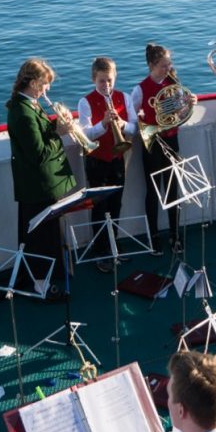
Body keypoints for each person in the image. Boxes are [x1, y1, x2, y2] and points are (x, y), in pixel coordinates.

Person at [6, 58, 76, 300]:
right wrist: (59, 133)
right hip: (37, 188)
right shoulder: (23, 112)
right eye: (45, 84)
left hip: (44, 186)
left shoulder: (30, 105)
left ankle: (49, 278)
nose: (48, 89)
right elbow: (38, 153)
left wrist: (56, 124)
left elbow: (41, 135)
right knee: (39, 239)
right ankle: (41, 284)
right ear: (34, 83)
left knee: (48, 236)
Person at [132, 44, 194, 256]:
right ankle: (154, 236)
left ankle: (175, 234)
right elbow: (133, 118)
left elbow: (180, 113)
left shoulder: (173, 83)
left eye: (169, 64)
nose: (167, 69)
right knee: (152, 192)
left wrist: (188, 104)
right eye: (162, 66)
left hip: (171, 141)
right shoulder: (140, 89)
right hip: (152, 144)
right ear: (151, 65)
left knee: (172, 189)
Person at [78, 57, 137, 272]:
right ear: (94, 79)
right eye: (102, 81)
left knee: (115, 205)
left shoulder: (124, 97)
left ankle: (115, 247)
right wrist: (103, 124)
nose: (107, 86)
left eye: (110, 80)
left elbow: (134, 129)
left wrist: (121, 124)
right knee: (99, 209)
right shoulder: (85, 102)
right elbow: (86, 135)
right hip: (96, 161)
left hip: (117, 159)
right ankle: (101, 252)